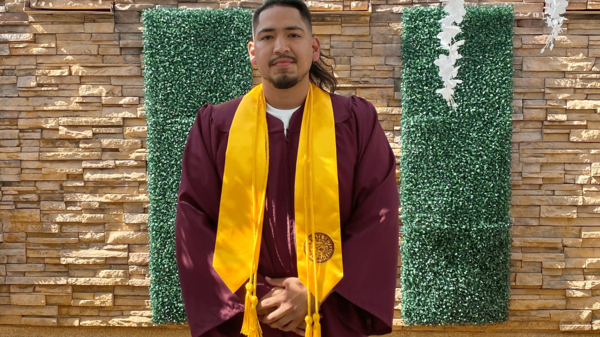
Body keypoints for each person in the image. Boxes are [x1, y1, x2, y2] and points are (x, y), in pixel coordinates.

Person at [174, 0, 399, 336]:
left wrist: (314, 291)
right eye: (267, 37)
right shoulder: (216, 126)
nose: (280, 46)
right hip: (248, 316)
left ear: (314, 46)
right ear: (253, 51)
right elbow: (194, 221)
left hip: (329, 314)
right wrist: (255, 297)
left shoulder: (355, 122)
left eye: (293, 34)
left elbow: (377, 216)